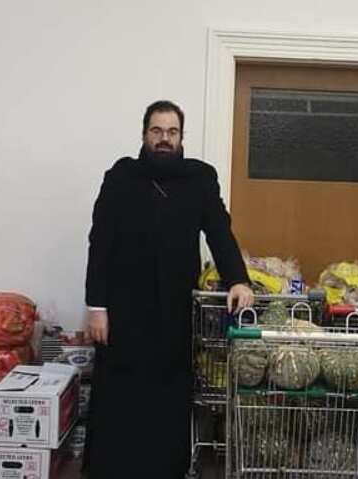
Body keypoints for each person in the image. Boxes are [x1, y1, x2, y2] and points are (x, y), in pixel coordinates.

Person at [84, 100, 254, 478]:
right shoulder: (120, 177)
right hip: (123, 311)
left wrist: (238, 279)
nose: (164, 139)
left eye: (172, 132)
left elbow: (220, 233)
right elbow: (100, 242)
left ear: (181, 137)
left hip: (175, 311)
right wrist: (96, 306)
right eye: (157, 131)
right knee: (120, 398)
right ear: (144, 134)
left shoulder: (200, 179)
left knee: (167, 397)